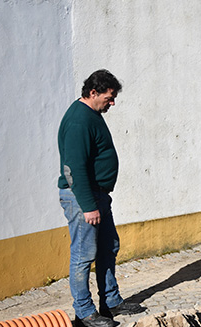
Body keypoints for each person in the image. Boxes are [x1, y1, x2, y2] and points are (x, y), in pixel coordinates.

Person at [58, 69, 143, 327]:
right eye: (109, 97)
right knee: (84, 255)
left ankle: (111, 301)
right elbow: (74, 168)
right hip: (84, 198)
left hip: (98, 196)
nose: (113, 102)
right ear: (93, 93)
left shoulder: (92, 114)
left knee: (109, 246)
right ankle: (84, 313)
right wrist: (88, 205)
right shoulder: (78, 120)